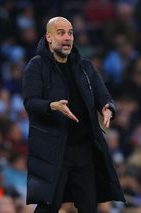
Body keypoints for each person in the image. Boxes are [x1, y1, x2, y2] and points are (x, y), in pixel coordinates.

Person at [22, 16, 125, 213]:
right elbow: (30, 102)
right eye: (61, 33)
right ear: (49, 38)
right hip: (55, 150)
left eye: (70, 33)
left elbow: (103, 96)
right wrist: (53, 106)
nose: (67, 37)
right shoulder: (36, 66)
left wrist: (107, 108)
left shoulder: (85, 67)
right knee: (48, 206)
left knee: (88, 207)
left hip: (85, 149)